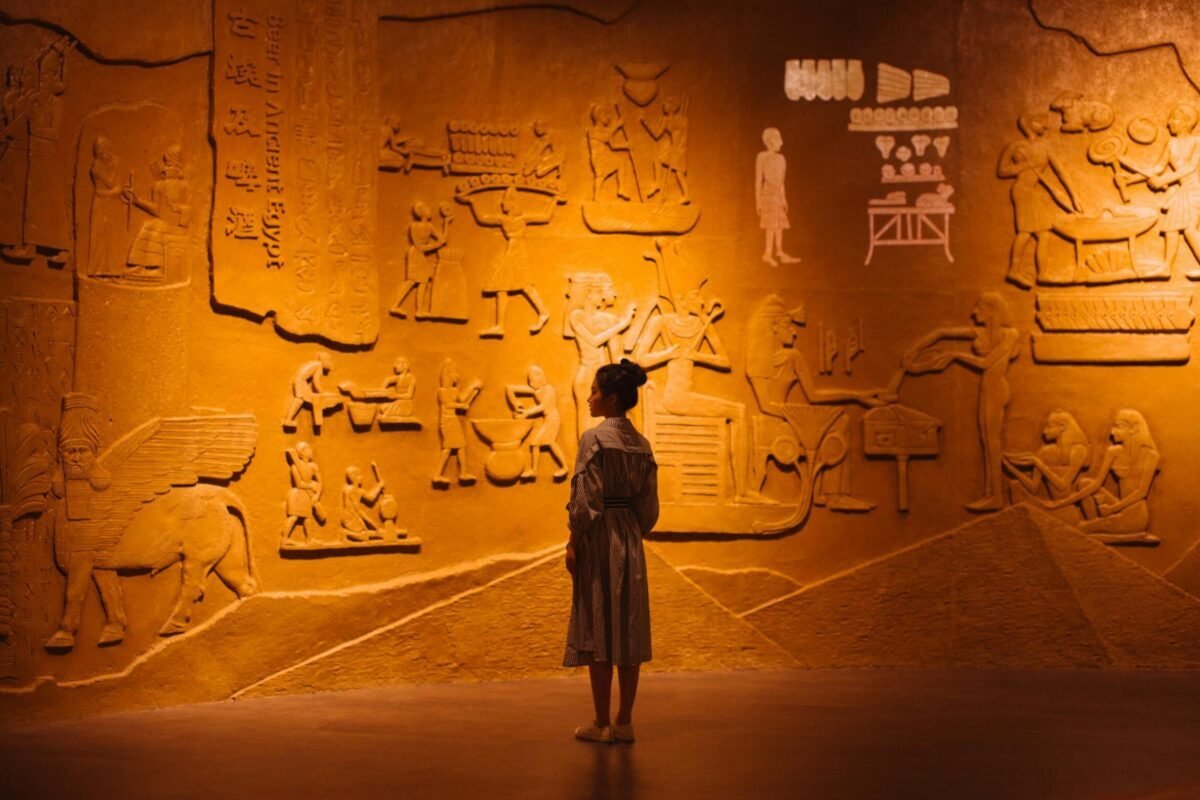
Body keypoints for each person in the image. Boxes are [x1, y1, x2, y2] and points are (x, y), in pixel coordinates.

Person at [565, 359, 657, 745]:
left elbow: (586, 502)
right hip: (630, 538)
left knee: (600, 626)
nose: (589, 398)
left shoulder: (594, 439)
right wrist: (632, 529)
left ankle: (602, 722)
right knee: (629, 627)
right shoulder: (642, 445)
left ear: (612, 398)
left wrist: (574, 541)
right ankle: (625, 721)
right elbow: (649, 510)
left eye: (595, 392)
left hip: (600, 536)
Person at [996, 112, 1079, 287]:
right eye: (1041, 123)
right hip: (1022, 191)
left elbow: (1061, 172)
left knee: (1043, 234)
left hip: (1032, 192)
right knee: (1026, 232)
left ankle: (1041, 274)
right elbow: (1002, 171)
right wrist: (1024, 165)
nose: (1046, 126)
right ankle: (1015, 271)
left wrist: (1073, 196)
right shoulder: (1016, 147)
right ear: (1029, 123)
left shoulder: (1044, 148)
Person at [755, 127, 801, 266]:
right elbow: (758, 180)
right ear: (771, 141)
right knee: (770, 225)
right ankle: (768, 254)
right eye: (779, 139)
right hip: (767, 195)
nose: (781, 142)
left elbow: (781, 182)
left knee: (779, 225)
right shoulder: (762, 156)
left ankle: (779, 252)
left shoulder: (781, 158)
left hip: (777, 196)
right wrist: (758, 201)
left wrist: (784, 199)